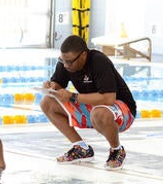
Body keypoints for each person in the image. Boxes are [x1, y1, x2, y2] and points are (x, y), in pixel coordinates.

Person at [40, 34, 136, 170]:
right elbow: (59, 83)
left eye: (70, 62)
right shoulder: (65, 62)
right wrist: (52, 86)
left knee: (99, 112)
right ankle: (81, 148)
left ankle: (117, 150)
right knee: (47, 102)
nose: (66, 65)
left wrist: (73, 97)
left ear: (83, 55)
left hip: (122, 112)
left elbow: (109, 98)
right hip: (93, 109)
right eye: (63, 61)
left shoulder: (99, 61)